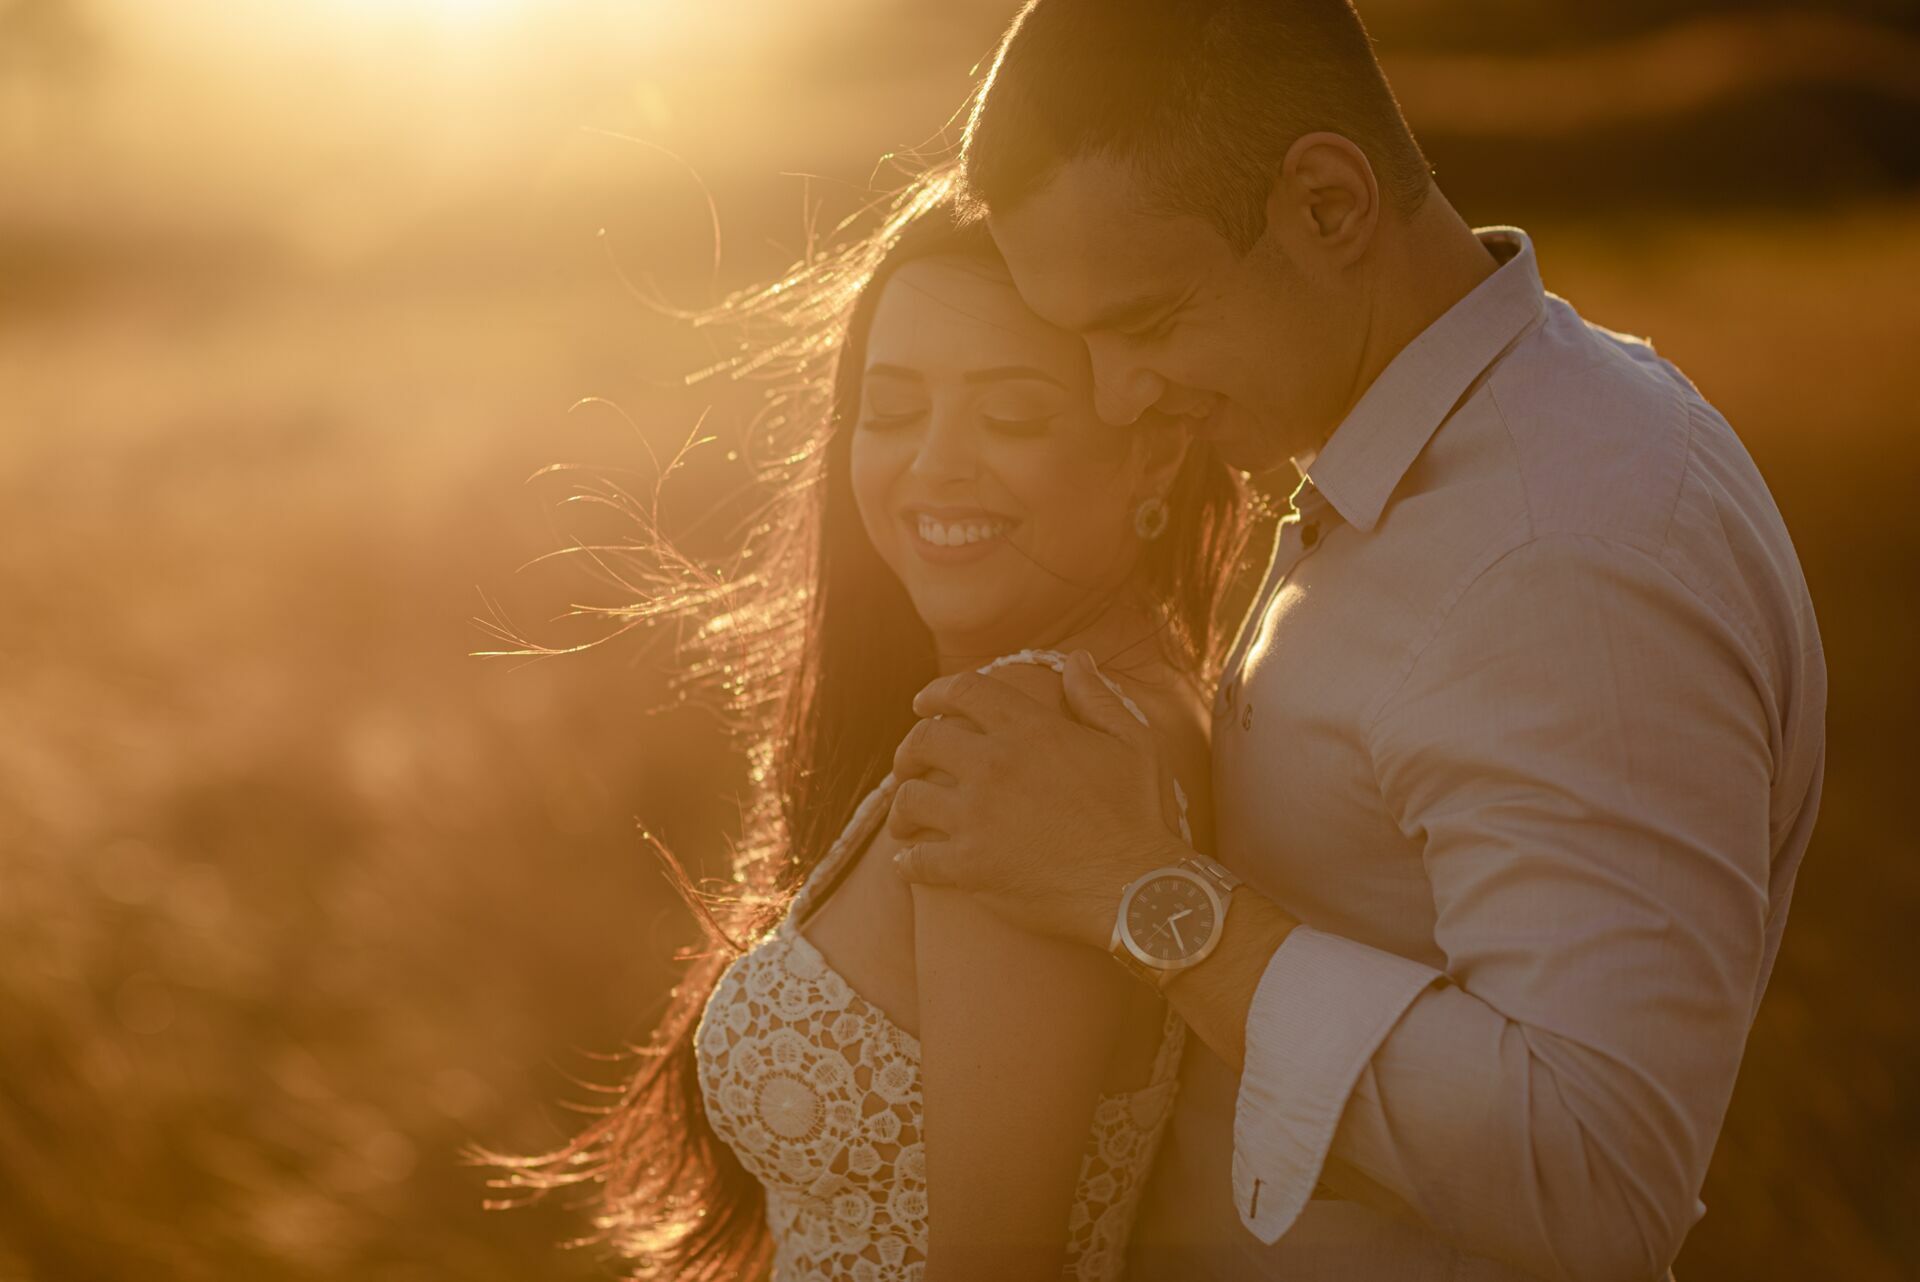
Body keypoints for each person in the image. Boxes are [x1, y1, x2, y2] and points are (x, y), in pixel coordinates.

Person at [888, 2, 1828, 1280]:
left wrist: (1139, 891)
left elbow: (1600, 1177)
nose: (1117, 395)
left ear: (1328, 204)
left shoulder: (1561, 552)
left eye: (1149, 323)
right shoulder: (1470, 445)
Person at [480, 168, 1255, 1280]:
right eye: (891, 410)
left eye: (1012, 412)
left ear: (1154, 448)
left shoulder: (1020, 756)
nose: (935, 462)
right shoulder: (1146, 696)